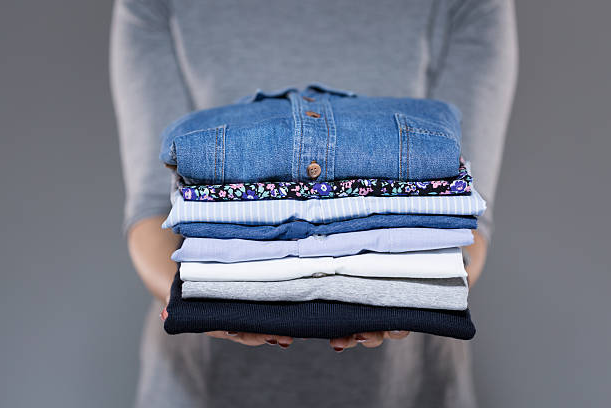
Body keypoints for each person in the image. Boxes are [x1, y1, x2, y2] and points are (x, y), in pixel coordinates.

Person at [110, 0, 517, 406]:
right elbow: (152, 209)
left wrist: (414, 297)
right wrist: (196, 299)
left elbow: (465, 215)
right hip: (200, 384)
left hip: (408, 387)